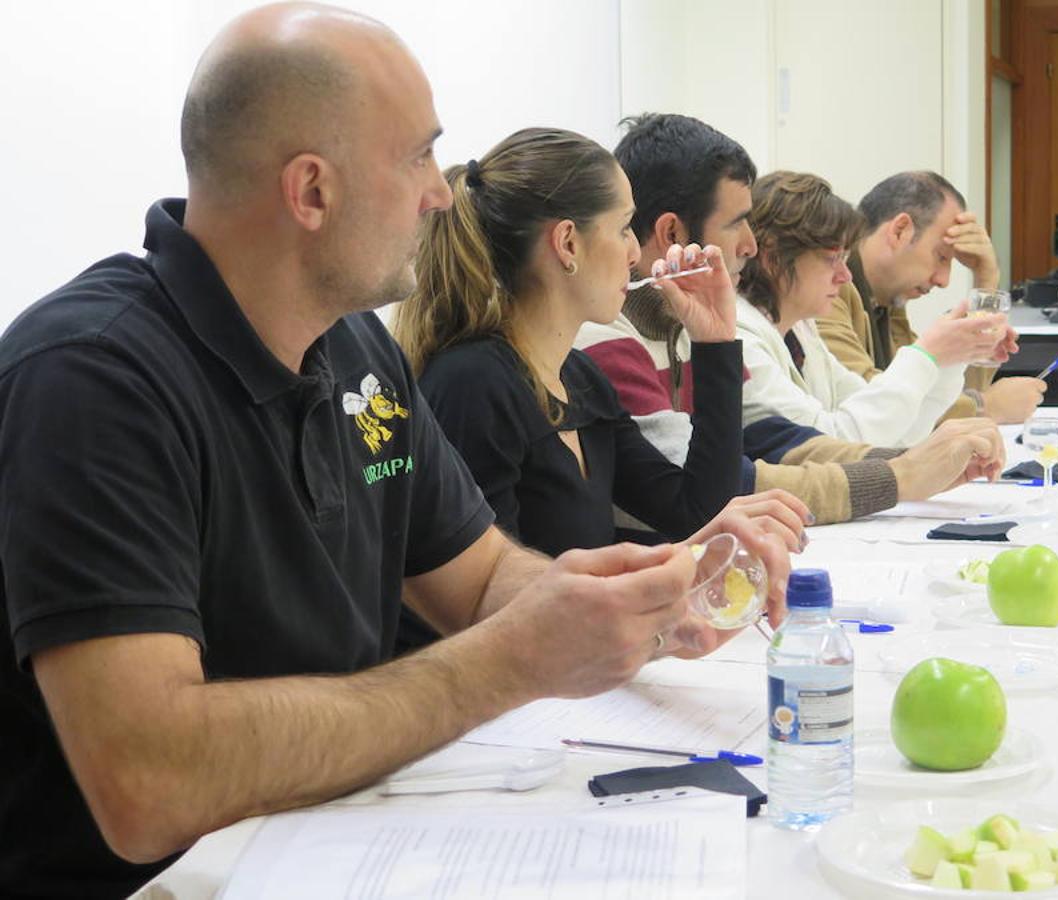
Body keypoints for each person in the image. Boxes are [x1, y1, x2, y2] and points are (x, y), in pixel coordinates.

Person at [0, 7, 805, 897]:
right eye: (418, 156)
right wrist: (505, 663)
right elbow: (149, 784)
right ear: (312, 192)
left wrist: (649, 603)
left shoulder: (356, 352)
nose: (442, 194)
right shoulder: (91, 378)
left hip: (330, 843)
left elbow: (482, 577)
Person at [577, 113, 1007, 530]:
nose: (748, 243)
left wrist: (920, 459)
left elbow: (779, 443)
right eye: (737, 224)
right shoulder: (609, 338)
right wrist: (903, 475)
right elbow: (712, 493)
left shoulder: (688, 325)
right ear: (672, 234)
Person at [394, 128, 746, 558]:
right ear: (567, 243)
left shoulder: (581, 379)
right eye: (622, 229)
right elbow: (490, 597)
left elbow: (697, 513)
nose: (635, 253)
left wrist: (715, 341)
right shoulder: (472, 384)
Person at [737, 170, 1011, 447]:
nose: (844, 276)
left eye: (845, 258)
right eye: (832, 259)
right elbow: (832, 444)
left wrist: (948, 358)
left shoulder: (800, 331)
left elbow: (895, 431)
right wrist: (926, 354)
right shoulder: (742, 342)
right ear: (773, 258)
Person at [815, 170, 1046, 423]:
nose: (943, 280)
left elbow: (935, 391)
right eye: (941, 257)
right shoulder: (826, 289)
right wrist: (984, 407)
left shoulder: (889, 303)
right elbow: (870, 400)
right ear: (900, 230)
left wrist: (986, 279)